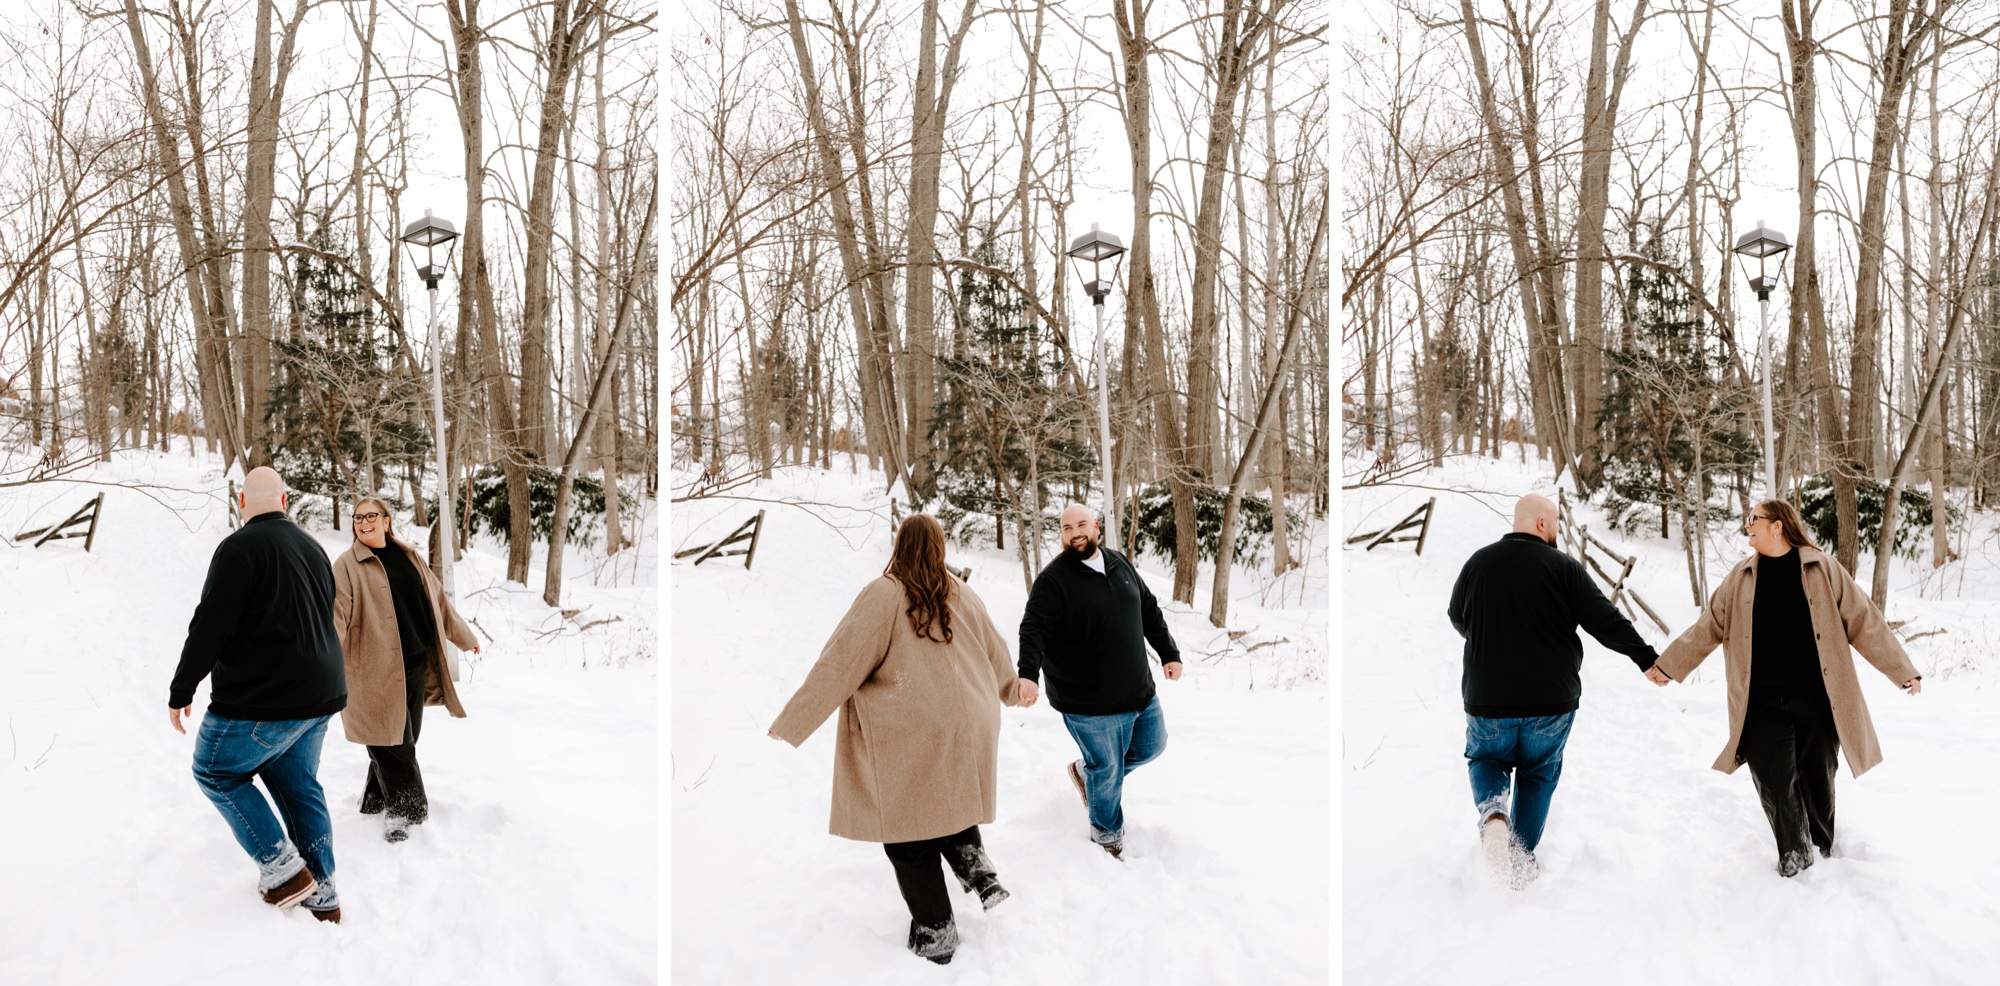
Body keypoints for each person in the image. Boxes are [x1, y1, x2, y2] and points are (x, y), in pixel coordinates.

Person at [768, 514, 1022, 966]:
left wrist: (793, 721)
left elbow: (840, 663)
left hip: (912, 726)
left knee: (908, 835)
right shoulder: (960, 590)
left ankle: (936, 933)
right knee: (949, 796)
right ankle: (978, 870)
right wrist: (1012, 689)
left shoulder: (884, 593)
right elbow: (996, 648)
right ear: (940, 548)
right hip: (970, 720)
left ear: (899, 547)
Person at [1649, 498, 1922, 877]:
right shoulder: (1741, 578)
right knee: (1775, 784)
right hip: (1760, 703)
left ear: (1778, 525)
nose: (1747, 525)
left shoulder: (1822, 568)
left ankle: (1822, 851)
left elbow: (1864, 621)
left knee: (1818, 782)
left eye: (1754, 519)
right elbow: (1708, 626)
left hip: (1817, 700)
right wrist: (1670, 664)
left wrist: (1901, 670)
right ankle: (1796, 860)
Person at [1446, 493, 1659, 887]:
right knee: (1539, 772)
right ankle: (1520, 859)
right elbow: (1605, 620)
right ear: (1542, 524)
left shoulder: (1478, 563)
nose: (1557, 530)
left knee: (1487, 758)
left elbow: (1458, 618)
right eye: (1556, 523)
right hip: (1552, 700)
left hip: (1488, 697)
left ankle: (1494, 816)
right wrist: (1646, 658)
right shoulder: (1564, 568)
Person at [169, 467, 347, 923]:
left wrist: (182, 687)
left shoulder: (238, 548)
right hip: (322, 694)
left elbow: (210, 624)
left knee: (214, 770)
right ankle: (323, 897)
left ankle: (284, 871)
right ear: (285, 501)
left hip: (265, 699)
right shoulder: (313, 547)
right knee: (298, 786)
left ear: (243, 503)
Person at [1018, 503, 1182, 861]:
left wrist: (1169, 652)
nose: (1074, 533)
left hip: (1138, 690)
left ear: (1096, 526)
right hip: (1088, 702)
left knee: (1152, 745)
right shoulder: (1054, 581)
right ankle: (1107, 835)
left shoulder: (1119, 562)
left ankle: (1087, 773)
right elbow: (1033, 630)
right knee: (1107, 768)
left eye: (1081, 525)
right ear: (1061, 536)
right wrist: (1028, 675)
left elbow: (1148, 608)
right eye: (1066, 528)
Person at [332, 497, 480, 843]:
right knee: (392, 743)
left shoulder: (410, 556)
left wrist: (465, 637)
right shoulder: (347, 566)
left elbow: (439, 603)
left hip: (413, 666)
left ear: (386, 521)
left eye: (371, 516)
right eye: (357, 517)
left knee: (400, 738)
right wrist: (322, 659)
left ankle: (375, 798)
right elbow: (336, 615)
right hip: (373, 674)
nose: (363, 522)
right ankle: (406, 811)